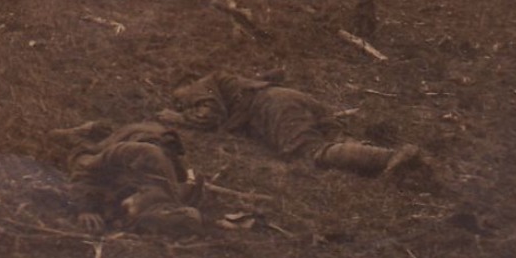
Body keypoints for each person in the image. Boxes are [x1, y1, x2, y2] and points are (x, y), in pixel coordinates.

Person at [168, 71, 421, 177]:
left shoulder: (197, 86)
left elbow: (208, 116)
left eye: (181, 100)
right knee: (333, 144)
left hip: (275, 107)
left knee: (311, 152)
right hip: (290, 97)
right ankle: (388, 164)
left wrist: (174, 116)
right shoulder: (230, 82)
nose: (185, 105)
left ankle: (391, 157)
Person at [47, 120, 205, 235]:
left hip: (145, 143)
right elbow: (86, 172)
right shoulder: (144, 155)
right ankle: (84, 132)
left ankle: (101, 131)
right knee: (82, 159)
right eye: (129, 209)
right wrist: (86, 208)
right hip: (136, 135)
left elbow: (190, 216)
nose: (124, 209)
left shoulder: (172, 197)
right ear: (143, 193)